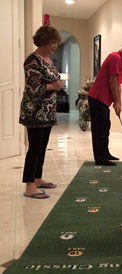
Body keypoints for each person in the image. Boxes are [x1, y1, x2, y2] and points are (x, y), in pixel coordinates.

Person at [19, 25, 64, 199]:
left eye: (56, 43)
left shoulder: (48, 60)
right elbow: (32, 88)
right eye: (53, 42)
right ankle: (30, 185)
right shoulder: (33, 60)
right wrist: (53, 86)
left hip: (48, 111)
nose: (55, 46)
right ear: (44, 40)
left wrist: (56, 85)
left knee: (42, 147)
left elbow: (52, 81)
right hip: (35, 111)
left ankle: (37, 178)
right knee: (35, 148)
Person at [88, 42, 122, 166]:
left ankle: (105, 153)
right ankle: (100, 158)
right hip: (97, 97)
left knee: (106, 127)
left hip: (104, 101)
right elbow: (112, 80)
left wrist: (119, 103)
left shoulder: (121, 63)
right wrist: (115, 101)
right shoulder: (115, 57)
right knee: (99, 129)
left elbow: (118, 85)